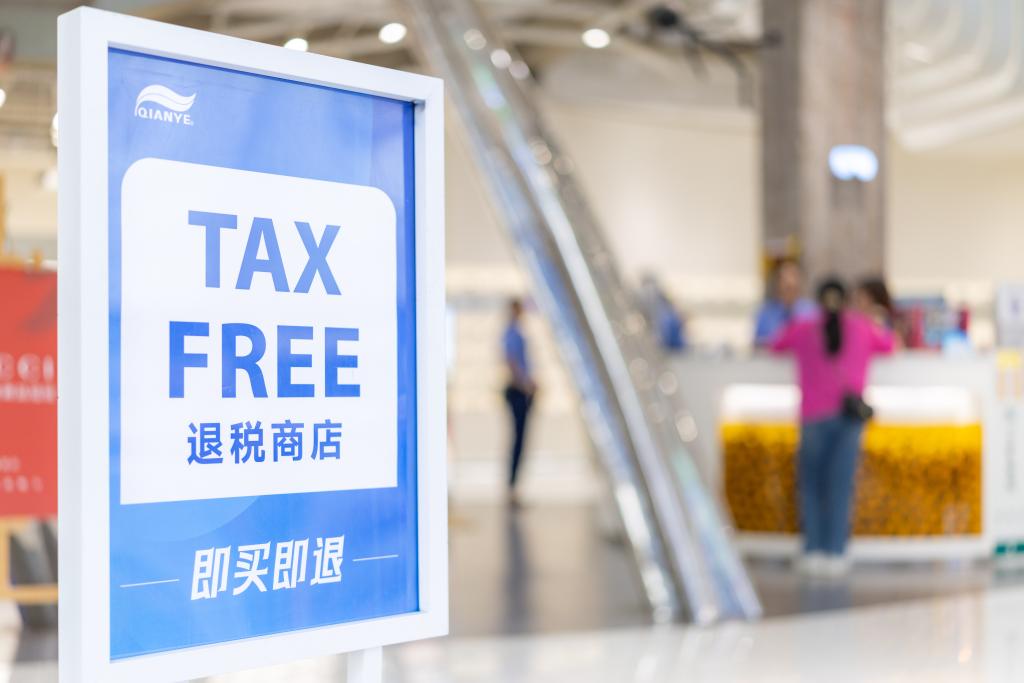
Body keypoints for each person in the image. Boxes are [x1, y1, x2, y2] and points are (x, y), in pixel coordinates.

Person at [772, 278, 894, 577]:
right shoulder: (862, 327)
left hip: (813, 417)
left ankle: (813, 550)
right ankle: (837, 552)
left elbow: (775, 345)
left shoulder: (804, 327)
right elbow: (889, 345)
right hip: (848, 418)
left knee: (812, 487)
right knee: (840, 487)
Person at [502, 298, 536, 500]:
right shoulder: (512, 333)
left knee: (520, 439)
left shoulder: (515, 332)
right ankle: (512, 486)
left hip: (521, 389)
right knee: (518, 438)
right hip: (518, 391)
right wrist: (523, 383)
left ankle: (514, 485)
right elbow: (512, 361)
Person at [754, 259, 816, 347]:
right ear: (777, 282)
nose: (789, 281)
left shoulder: (813, 313)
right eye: (783, 278)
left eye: (793, 275)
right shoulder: (766, 313)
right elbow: (758, 344)